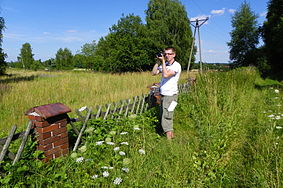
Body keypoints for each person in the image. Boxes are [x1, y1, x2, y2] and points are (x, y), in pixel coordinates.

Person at [151, 47, 181, 139]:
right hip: (164, 95)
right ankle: (171, 136)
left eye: (169, 54)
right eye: (165, 54)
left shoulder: (176, 66)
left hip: (171, 96)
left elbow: (166, 75)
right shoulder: (166, 64)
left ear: (174, 55)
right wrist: (158, 62)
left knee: (166, 117)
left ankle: (169, 142)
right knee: (166, 115)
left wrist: (163, 61)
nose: (167, 56)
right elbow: (153, 73)